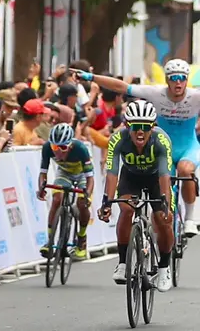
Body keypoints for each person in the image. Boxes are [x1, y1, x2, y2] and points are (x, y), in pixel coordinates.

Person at [77, 59, 200, 236]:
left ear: (187, 79)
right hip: (162, 149)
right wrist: (91, 77)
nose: (178, 82)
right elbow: (121, 87)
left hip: (187, 147)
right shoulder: (157, 93)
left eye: (182, 78)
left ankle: (189, 219)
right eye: (173, 78)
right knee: (163, 193)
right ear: (167, 79)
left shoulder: (195, 96)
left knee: (185, 170)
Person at [98, 100, 174, 291]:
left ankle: (164, 267)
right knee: (125, 209)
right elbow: (112, 173)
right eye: (135, 126)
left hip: (156, 178)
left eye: (145, 127)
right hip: (130, 177)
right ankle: (123, 262)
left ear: (153, 127)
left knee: (163, 220)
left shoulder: (161, 140)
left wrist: (166, 205)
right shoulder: (117, 139)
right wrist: (106, 202)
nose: (140, 131)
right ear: (126, 125)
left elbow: (165, 175)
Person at [37, 123, 95, 260]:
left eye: (63, 147)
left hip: (82, 174)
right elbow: (43, 173)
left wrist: (87, 195)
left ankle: (81, 238)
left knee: (82, 204)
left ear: (70, 145)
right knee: (57, 200)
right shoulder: (46, 148)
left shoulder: (80, 149)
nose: (58, 151)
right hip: (64, 173)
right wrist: (41, 188)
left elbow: (90, 179)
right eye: (55, 147)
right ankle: (50, 241)